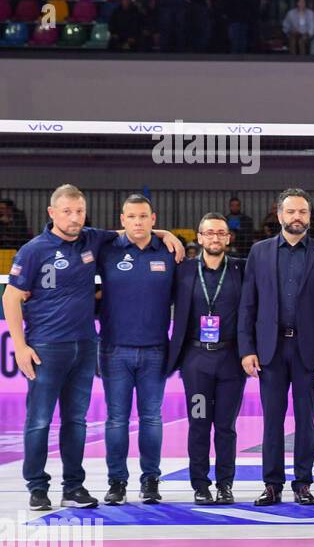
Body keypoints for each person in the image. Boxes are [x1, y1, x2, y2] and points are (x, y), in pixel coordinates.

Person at [3, 186, 182, 511]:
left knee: (76, 421)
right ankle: (37, 487)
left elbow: (132, 228)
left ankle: (74, 486)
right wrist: (20, 345)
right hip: (45, 347)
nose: (74, 217)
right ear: (52, 212)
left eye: (80, 211)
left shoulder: (92, 240)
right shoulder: (33, 250)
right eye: (67, 211)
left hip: (85, 345)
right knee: (39, 420)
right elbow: (11, 296)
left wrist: (163, 232)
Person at [238, 189, 314, 506]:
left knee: (305, 420)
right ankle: (272, 484)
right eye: (291, 211)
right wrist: (247, 349)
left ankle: (302, 483)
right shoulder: (259, 252)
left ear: (309, 217)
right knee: (272, 420)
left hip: (308, 351)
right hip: (270, 349)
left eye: (303, 212)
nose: (297, 217)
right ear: (280, 215)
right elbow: (248, 305)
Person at [96, 194, 179, 505]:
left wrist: (167, 236)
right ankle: (117, 482)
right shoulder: (107, 251)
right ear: (122, 220)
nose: (138, 222)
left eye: (144, 216)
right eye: (131, 217)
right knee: (116, 419)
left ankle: (150, 481)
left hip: (156, 349)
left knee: (151, 418)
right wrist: (165, 232)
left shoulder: (170, 252)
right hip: (114, 350)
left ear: (153, 218)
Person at [166, 213, 246, 504]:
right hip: (196, 360)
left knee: (225, 426)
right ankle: (200, 484)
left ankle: (225, 484)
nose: (215, 238)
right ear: (199, 238)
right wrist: (164, 233)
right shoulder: (183, 271)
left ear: (228, 238)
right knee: (199, 423)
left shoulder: (241, 269)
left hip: (231, 360)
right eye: (209, 233)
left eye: (220, 233)